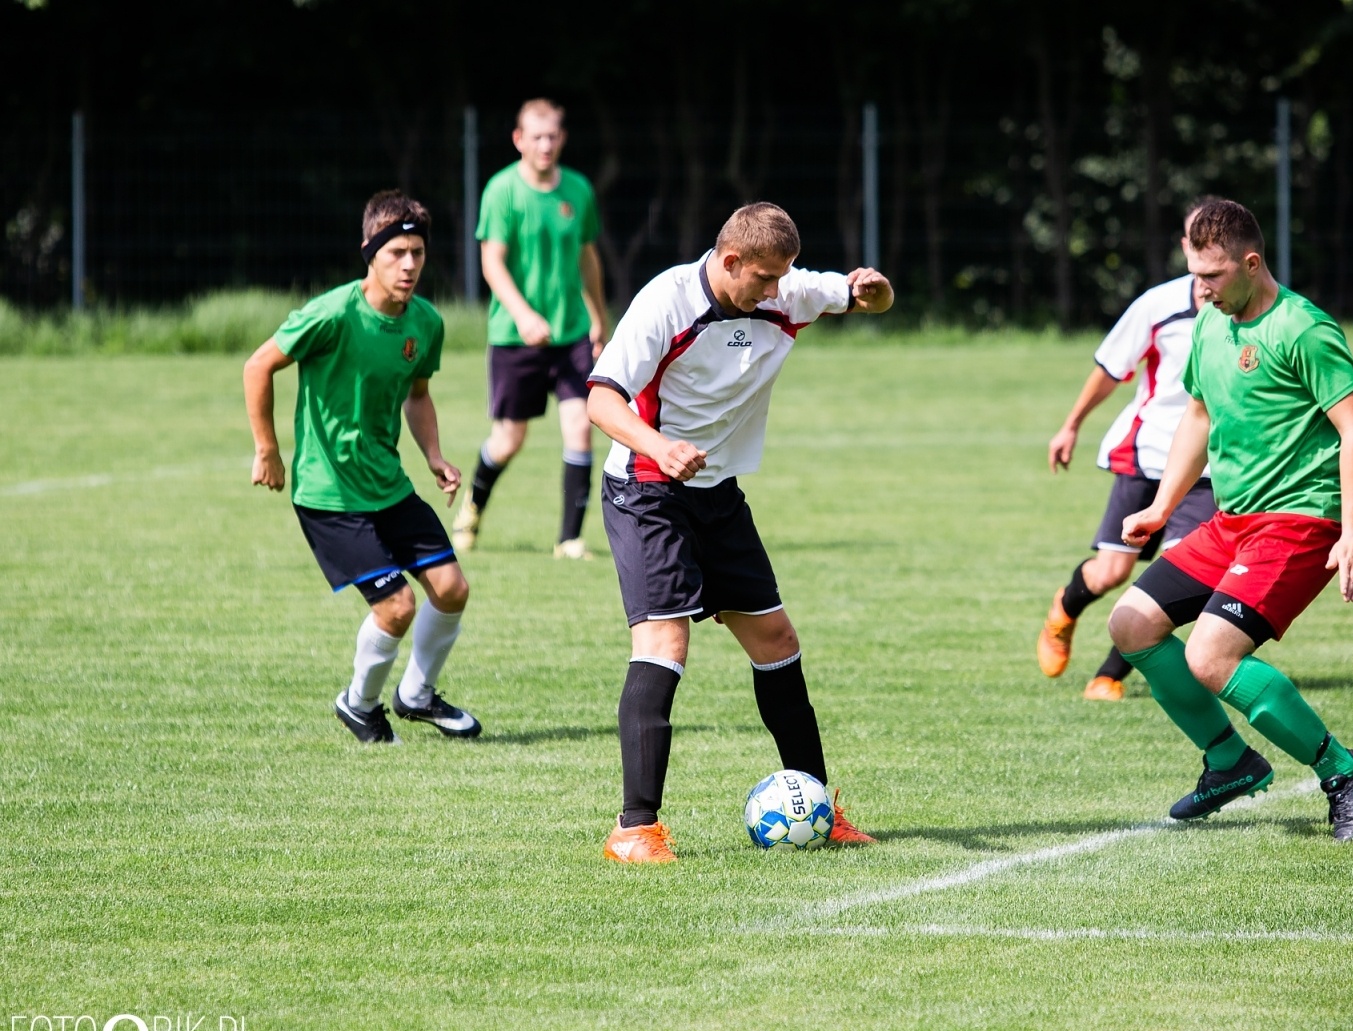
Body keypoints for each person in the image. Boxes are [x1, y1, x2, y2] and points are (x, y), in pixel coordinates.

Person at [585, 202, 893, 863]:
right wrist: (660, 445)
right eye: (764, 277)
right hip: (646, 489)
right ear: (729, 261)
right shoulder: (665, 302)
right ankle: (634, 830)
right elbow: (601, 399)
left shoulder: (786, 290)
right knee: (666, 642)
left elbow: (863, 297)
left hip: (717, 494)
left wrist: (876, 291)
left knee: (777, 639)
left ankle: (818, 808)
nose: (777, 289)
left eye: (783, 275)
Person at [1104, 199, 1353, 841]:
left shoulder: (1303, 328)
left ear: (1252, 264)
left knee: (1211, 654)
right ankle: (1230, 761)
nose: (1200, 289)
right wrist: (1161, 507)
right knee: (1131, 624)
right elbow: (1198, 416)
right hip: (1232, 522)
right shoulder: (1210, 323)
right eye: (1194, 274)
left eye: (1213, 275)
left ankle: (1345, 772)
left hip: (1300, 522)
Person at [244, 190, 480, 744]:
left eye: (418, 253)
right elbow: (259, 365)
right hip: (329, 494)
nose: (409, 265)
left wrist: (434, 455)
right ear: (371, 252)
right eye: (397, 253)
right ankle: (360, 705)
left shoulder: (425, 322)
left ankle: (416, 695)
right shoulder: (331, 314)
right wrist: (267, 448)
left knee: (451, 589)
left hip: (387, 485)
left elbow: (417, 394)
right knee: (397, 606)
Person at [1038, 200, 1218, 700]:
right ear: (1185, 247)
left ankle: (1109, 674)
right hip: (1147, 454)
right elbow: (1111, 368)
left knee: (1181, 576)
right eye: (1197, 242)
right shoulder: (1158, 306)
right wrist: (1070, 426)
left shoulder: (1250, 312)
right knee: (1112, 572)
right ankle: (1065, 609)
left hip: (1207, 468)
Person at [454, 98, 609, 559]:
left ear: (562, 139)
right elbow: (492, 262)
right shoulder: (502, 190)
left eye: (553, 136)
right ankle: (472, 507)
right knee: (509, 440)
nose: (545, 145)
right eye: (536, 136)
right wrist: (523, 315)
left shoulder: (578, 189)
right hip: (514, 336)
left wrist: (599, 319)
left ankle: (569, 539)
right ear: (519, 139)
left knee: (581, 427)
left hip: (571, 333)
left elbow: (588, 258)